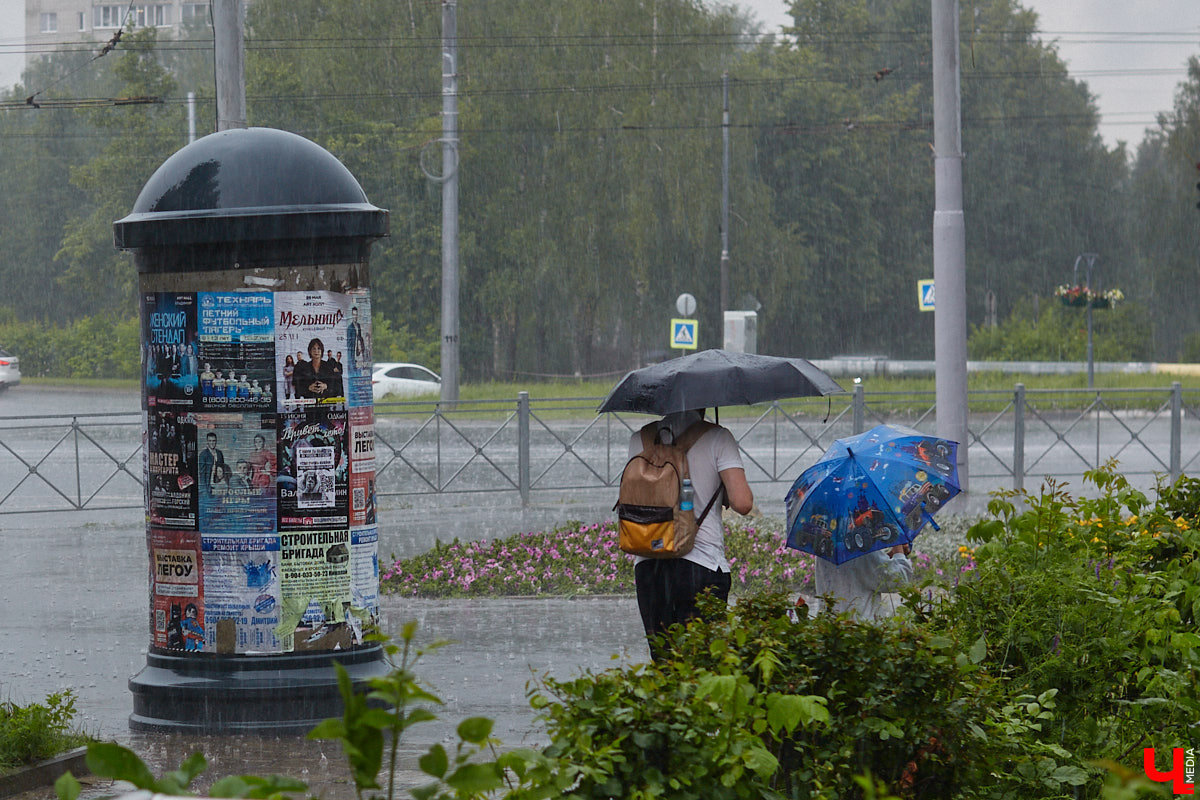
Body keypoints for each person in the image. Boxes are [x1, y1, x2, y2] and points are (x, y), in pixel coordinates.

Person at [628, 408, 753, 661]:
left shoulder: (640, 438)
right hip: (700, 563)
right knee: (702, 663)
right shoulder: (718, 437)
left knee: (664, 662)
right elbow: (743, 503)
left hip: (649, 563)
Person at [813, 544, 913, 621]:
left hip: (831, 629)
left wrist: (891, 556)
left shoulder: (825, 547)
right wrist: (898, 550)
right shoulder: (861, 547)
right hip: (860, 633)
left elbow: (860, 569)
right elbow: (901, 580)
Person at [198, 431, 225, 497]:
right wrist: (204, 490)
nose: (212, 443)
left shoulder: (219, 453)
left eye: (213, 441)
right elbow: (202, 474)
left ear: (216, 441)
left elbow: (222, 468)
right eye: (210, 441)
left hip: (218, 485)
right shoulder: (203, 454)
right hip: (208, 485)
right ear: (207, 442)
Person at [345, 306, 366, 375]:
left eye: (356, 315)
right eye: (354, 315)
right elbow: (348, 344)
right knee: (354, 369)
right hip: (353, 353)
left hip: (359, 351)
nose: (355, 317)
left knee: (361, 368)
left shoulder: (359, 326)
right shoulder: (350, 328)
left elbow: (360, 337)